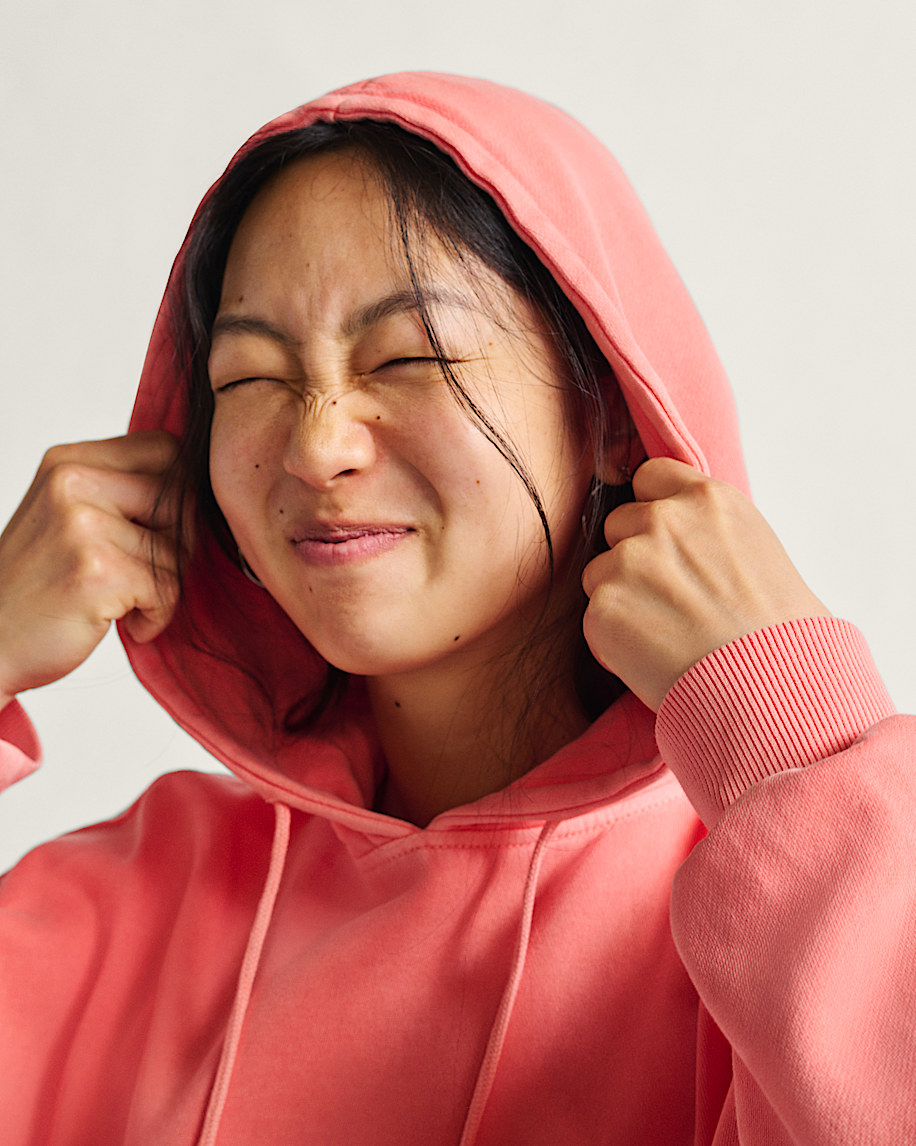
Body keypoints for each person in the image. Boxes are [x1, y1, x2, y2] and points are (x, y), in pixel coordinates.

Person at [0, 71, 913, 1145]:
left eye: (410, 356)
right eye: (248, 378)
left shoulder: (778, 917)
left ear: (611, 413)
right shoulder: (131, 904)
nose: (315, 446)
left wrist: (801, 742)